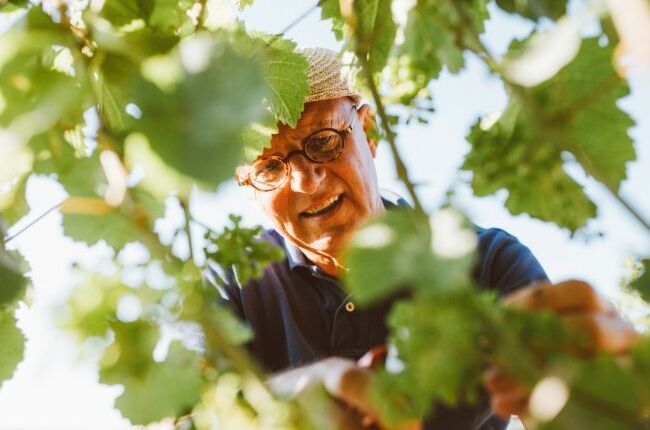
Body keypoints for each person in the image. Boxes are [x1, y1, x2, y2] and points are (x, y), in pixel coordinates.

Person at [206, 48, 638, 429]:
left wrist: (598, 397)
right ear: (246, 188)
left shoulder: (486, 260)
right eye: (268, 169)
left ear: (369, 133)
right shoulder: (234, 281)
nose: (306, 181)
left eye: (322, 141)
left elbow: (566, 404)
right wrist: (272, 407)